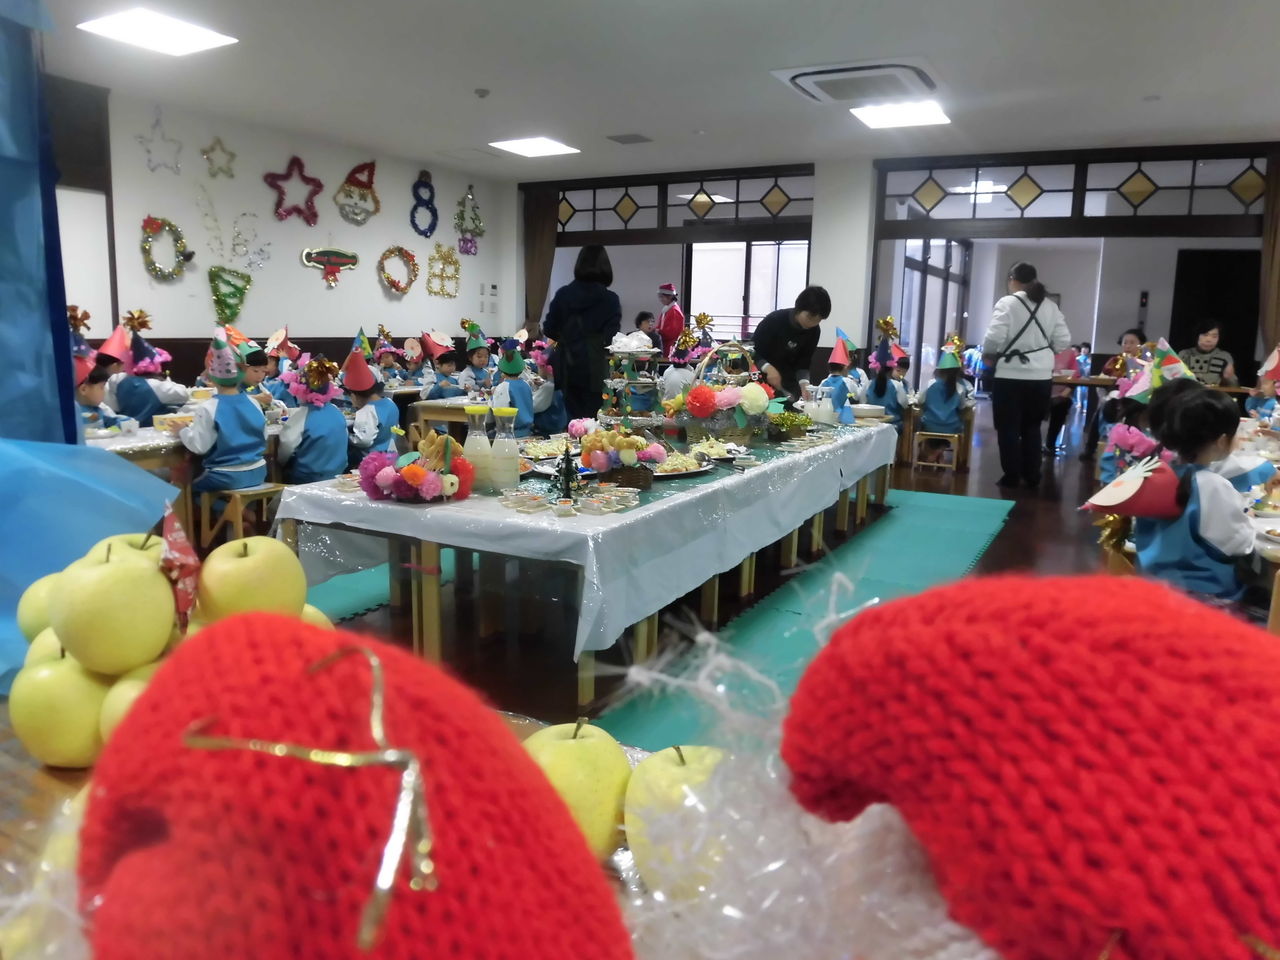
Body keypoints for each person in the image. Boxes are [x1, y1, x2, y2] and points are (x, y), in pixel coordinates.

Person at [1133, 387, 1256, 600]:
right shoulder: (1212, 485)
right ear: (1222, 440)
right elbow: (1239, 544)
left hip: (1152, 587)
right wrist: (1248, 520)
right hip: (1201, 596)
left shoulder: (1154, 473)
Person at [982, 262, 1071, 489]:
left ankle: (1011, 475)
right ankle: (1032, 475)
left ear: (1013, 279)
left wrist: (989, 354)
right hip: (1041, 377)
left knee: (1008, 427)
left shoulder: (1007, 303)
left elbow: (993, 337)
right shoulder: (1050, 306)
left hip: (1009, 375)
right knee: (1032, 426)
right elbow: (1063, 340)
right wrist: (1043, 353)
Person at [174, 331, 267, 493]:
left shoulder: (208, 407)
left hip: (224, 476)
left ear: (211, 376)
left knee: (186, 487)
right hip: (259, 471)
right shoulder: (254, 402)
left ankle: (224, 508)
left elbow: (199, 446)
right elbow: (264, 436)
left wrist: (182, 430)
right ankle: (237, 508)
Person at [542, 245, 622, 421]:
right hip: (595, 368)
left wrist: (568, 338)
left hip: (566, 367)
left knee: (569, 419)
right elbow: (612, 338)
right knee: (595, 420)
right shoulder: (610, 300)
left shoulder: (563, 294)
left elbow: (548, 328)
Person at [276, 354, 348, 484]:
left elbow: (286, 447)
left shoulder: (302, 415)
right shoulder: (337, 412)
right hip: (337, 474)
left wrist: (280, 463)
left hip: (308, 478)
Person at [750, 286, 832, 397]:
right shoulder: (774, 320)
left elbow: (804, 362)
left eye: (818, 320)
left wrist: (804, 384)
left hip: (788, 384)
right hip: (760, 383)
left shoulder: (814, 331)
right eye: (810, 317)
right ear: (799, 308)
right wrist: (767, 368)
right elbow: (752, 352)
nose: (812, 323)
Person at [917, 349, 975, 461]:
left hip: (930, 425)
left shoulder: (930, 384)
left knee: (924, 425)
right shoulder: (960, 388)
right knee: (955, 427)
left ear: (939, 371)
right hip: (951, 427)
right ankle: (939, 451)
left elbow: (920, 401)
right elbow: (962, 407)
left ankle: (933, 452)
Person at [346, 350, 399, 461]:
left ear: (354, 396)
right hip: (391, 455)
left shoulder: (367, 411)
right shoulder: (390, 402)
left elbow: (364, 440)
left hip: (371, 461)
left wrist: (346, 435)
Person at [491, 340, 535, 437]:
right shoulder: (526, 384)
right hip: (527, 432)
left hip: (509, 434)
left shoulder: (503, 387)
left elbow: (499, 411)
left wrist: (492, 397)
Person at [1045, 344, 1080, 455]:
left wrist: (1066, 392)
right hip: (1039, 392)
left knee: (1061, 405)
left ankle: (1050, 445)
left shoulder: (1069, 353)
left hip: (1061, 394)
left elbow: (1076, 375)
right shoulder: (1040, 350)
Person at [1178, 321, 1237, 386]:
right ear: (1197, 336)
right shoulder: (1184, 354)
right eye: (1205, 335)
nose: (1209, 340)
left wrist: (1230, 378)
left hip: (1212, 392)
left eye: (1214, 336)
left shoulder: (1225, 356)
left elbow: (1234, 387)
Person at [75, 362, 128, 430]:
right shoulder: (70, 414)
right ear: (83, 389)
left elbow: (118, 421)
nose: (104, 391)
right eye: (102, 387)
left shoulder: (99, 410)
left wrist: (114, 428)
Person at [655, 283, 686, 357]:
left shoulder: (674, 311)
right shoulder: (667, 309)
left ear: (670, 296)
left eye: (662, 297)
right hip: (666, 345)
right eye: (660, 297)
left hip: (670, 347)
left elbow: (671, 333)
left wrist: (657, 332)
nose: (660, 299)